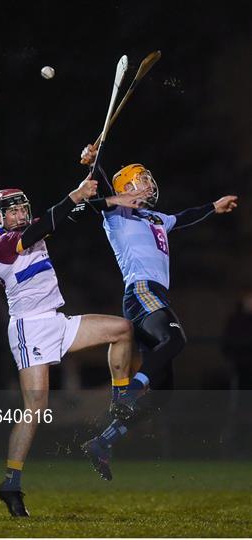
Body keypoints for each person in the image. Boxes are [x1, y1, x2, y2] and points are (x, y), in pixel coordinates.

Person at [0, 175, 150, 517]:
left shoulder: (35, 224)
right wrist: (73, 193)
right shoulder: (0, 242)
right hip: (28, 328)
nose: (18, 215)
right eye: (11, 211)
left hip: (55, 322)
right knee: (36, 407)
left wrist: (110, 201)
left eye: (21, 209)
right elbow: (43, 224)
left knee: (121, 329)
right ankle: (11, 482)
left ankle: (121, 399)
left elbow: (69, 213)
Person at [79, 145, 238, 457]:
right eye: (141, 180)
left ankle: (101, 443)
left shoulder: (156, 217)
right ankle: (127, 395)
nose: (149, 184)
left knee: (164, 394)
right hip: (141, 291)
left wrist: (213, 207)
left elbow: (183, 217)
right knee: (175, 339)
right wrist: (94, 162)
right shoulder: (118, 214)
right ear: (126, 188)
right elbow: (97, 201)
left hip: (154, 296)